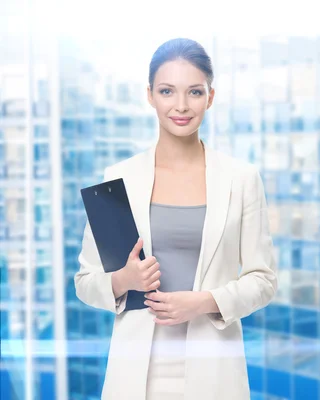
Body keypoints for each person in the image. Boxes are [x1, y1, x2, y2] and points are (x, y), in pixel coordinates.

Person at [74, 38, 278, 400]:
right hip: (135, 377)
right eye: (167, 91)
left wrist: (204, 302)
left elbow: (263, 280)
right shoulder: (118, 179)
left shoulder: (241, 179)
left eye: (194, 92)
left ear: (210, 97)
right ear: (150, 95)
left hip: (214, 374)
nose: (181, 106)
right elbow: (85, 281)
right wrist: (123, 280)